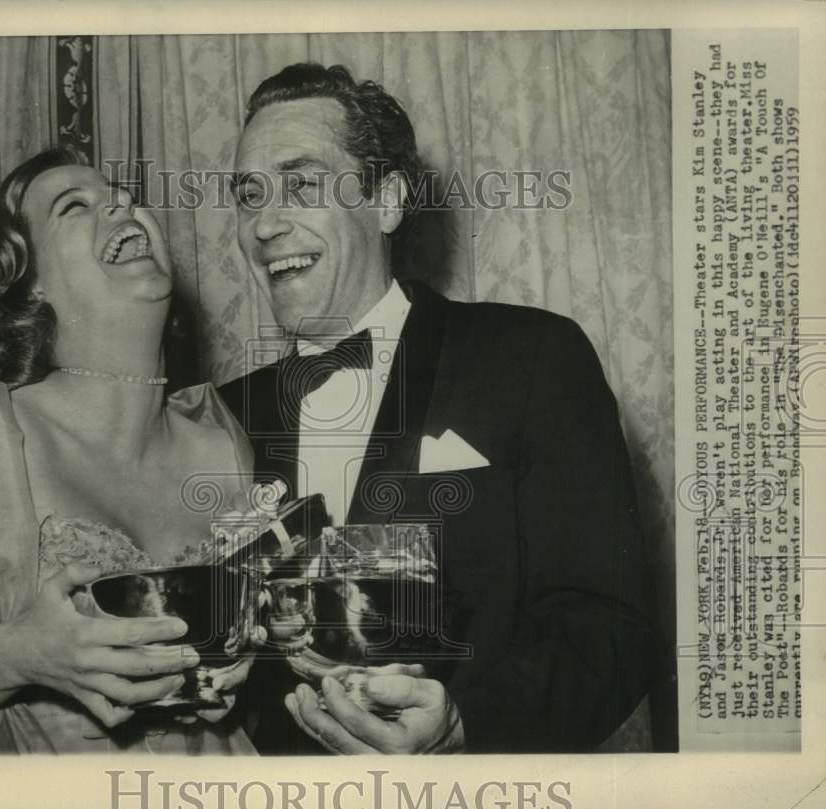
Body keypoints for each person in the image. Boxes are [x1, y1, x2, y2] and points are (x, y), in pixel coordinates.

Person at [217, 63, 657, 754]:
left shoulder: (532, 355)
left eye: (301, 183)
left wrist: (464, 726)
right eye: (248, 194)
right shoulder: (222, 414)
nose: (266, 223)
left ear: (387, 200)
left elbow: (610, 626)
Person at [0, 147, 257, 755]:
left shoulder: (223, 442)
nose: (119, 202)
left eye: (120, 193)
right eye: (75, 206)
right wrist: (11, 661)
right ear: (30, 282)